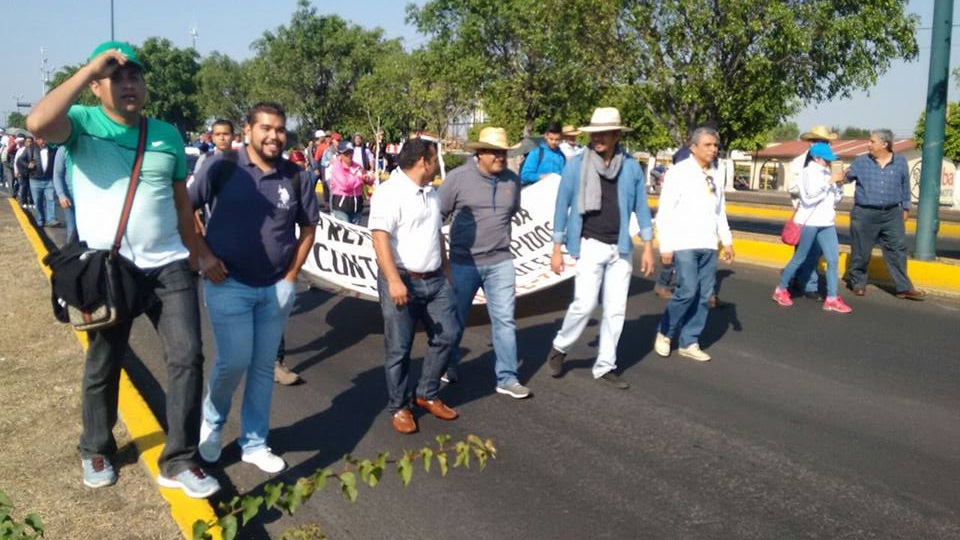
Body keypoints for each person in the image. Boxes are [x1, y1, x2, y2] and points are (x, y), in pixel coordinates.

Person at [26, 40, 220, 497]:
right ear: (96, 86)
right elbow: (37, 121)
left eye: (134, 75)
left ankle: (180, 459)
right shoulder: (79, 124)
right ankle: (95, 447)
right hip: (108, 269)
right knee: (104, 361)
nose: (128, 83)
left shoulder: (166, 133)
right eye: (115, 76)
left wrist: (200, 252)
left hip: (168, 265)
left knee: (188, 358)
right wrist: (89, 65)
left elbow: (179, 200)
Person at [190, 102, 319, 474]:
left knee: (263, 367)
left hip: (276, 288)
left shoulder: (297, 176)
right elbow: (187, 207)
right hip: (227, 284)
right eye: (265, 128)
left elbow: (309, 229)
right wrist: (204, 255)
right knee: (232, 361)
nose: (273, 136)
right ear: (247, 131)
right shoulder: (222, 168)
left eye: (279, 129)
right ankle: (211, 428)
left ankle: (254, 443)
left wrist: (292, 275)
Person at [544, 107, 655, 389]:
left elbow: (641, 207)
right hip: (590, 243)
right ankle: (560, 346)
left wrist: (649, 246)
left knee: (616, 310)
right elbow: (561, 206)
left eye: (604, 133)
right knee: (584, 304)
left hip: (620, 248)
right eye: (594, 134)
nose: (598, 139)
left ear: (617, 135)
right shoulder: (576, 166)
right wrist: (557, 248)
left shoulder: (630, 167)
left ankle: (605, 365)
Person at [369, 136, 461, 434]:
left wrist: (446, 271)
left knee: (449, 334)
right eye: (436, 159)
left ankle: (427, 393)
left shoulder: (430, 193)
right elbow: (379, 237)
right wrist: (394, 281)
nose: (438, 164)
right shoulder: (389, 193)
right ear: (424, 160)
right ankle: (400, 406)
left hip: (435, 279)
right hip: (402, 280)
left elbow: (436, 235)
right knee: (400, 348)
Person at [438, 127, 530, 399]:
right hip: (463, 264)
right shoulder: (457, 179)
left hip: (501, 261)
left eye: (504, 152)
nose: (501, 157)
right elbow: (437, 215)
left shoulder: (513, 181)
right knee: (455, 319)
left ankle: (507, 377)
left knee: (505, 320)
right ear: (480, 153)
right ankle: (449, 364)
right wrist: (440, 260)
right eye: (495, 152)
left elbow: (510, 213)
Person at [654, 126, 735, 362]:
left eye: (716, 145)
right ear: (694, 147)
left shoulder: (716, 174)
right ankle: (665, 332)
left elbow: (720, 210)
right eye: (708, 145)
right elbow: (665, 211)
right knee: (687, 291)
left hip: (709, 243)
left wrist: (727, 241)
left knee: (705, 294)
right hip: (684, 242)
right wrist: (665, 246)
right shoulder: (679, 172)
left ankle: (689, 340)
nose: (713, 149)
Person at [843, 129, 925, 300]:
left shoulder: (901, 162)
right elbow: (846, 177)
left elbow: (905, 186)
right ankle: (857, 282)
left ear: (884, 144)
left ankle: (904, 287)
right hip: (865, 213)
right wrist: (839, 174)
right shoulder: (861, 161)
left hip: (892, 214)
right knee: (861, 251)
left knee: (897, 250)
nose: (868, 144)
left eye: (872, 142)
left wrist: (906, 208)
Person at [773, 143, 851, 313]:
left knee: (833, 260)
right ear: (816, 158)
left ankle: (831, 298)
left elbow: (835, 199)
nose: (828, 162)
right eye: (826, 159)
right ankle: (780, 289)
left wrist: (838, 185)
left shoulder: (827, 173)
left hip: (827, 222)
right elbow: (808, 198)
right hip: (809, 222)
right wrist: (829, 182)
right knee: (800, 258)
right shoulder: (807, 173)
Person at [786, 125, 839, 301]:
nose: (823, 144)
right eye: (818, 140)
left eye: (825, 141)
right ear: (810, 142)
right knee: (802, 252)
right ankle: (793, 282)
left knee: (815, 252)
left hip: (823, 215)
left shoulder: (829, 162)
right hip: (805, 213)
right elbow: (793, 187)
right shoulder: (798, 163)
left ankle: (809, 284)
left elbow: (833, 187)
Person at [16, 136, 59, 227]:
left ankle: (51, 219)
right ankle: (40, 219)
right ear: (37, 139)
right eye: (41, 139)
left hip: (49, 179)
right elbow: (20, 161)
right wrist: (28, 165)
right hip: (35, 179)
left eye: (45, 139)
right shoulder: (30, 149)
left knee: (51, 199)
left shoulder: (53, 149)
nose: (43, 141)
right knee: (37, 201)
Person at [328, 140, 374, 224]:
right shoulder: (336, 168)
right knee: (343, 235)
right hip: (341, 207)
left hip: (357, 207)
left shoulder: (357, 166)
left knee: (355, 236)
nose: (349, 155)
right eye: (346, 153)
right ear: (341, 154)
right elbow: (345, 185)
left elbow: (368, 182)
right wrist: (359, 178)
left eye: (351, 152)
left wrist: (369, 178)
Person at [51, 145, 76, 240]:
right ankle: (72, 253)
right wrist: (61, 196)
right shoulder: (63, 150)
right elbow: (57, 175)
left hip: (88, 198)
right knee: (72, 229)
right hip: (70, 198)